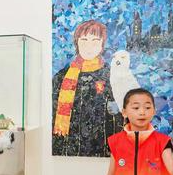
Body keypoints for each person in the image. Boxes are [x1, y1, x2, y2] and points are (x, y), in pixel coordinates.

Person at [52, 20, 123, 157]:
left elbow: (118, 116)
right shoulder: (61, 77)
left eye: (95, 41)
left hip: (100, 147)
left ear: (102, 45)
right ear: (77, 43)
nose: (89, 46)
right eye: (84, 40)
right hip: (67, 149)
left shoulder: (112, 75)